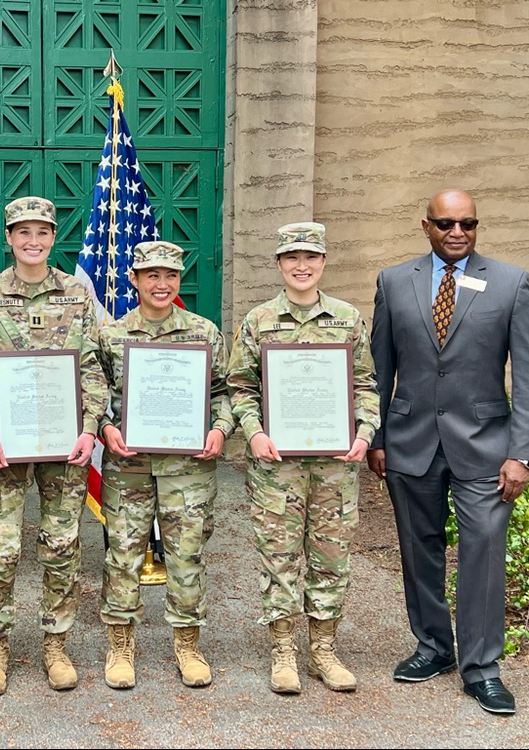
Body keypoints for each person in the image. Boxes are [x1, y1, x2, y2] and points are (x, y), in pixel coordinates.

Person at [368, 189, 529, 715]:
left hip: (487, 447)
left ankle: (483, 668)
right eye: (446, 223)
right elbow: (380, 367)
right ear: (425, 225)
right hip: (410, 441)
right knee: (418, 551)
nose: (457, 233)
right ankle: (433, 647)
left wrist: (522, 453)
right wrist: (377, 437)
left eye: (468, 223)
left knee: (483, 553)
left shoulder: (511, 282)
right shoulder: (393, 281)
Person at [227, 222, 379, 695]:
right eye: (292, 258)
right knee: (279, 557)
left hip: (335, 465)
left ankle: (324, 651)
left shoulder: (348, 319)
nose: (301, 266)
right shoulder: (258, 321)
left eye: (310, 257)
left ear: (323, 262)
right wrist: (252, 433)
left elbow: (365, 386)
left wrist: (364, 432)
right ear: (278, 264)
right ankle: (284, 652)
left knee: (331, 557)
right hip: (278, 467)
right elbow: (240, 387)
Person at [0, 196, 107, 696]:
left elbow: (91, 365)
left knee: (62, 545)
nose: (32, 241)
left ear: (53, 237)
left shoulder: (75, 292)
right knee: (0, 548)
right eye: (22, 232)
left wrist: (89, 427)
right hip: (5, 440)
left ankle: (55, 643)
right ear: (8, 237)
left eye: (42, 232)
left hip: (63, 440)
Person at [95, 240, 235, 690]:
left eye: (170, 275)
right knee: (123, 554)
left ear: (179, 280)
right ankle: (121, 645)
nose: (161, 283)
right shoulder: (112, 335)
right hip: (128, 466)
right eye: (151, 275)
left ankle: (188, 644)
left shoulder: (204, 332)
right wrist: (104, 428)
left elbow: (223, 394)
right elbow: (93, 395)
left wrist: (220, 429)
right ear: (133, 279)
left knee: (186, 554)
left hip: (187, 468)